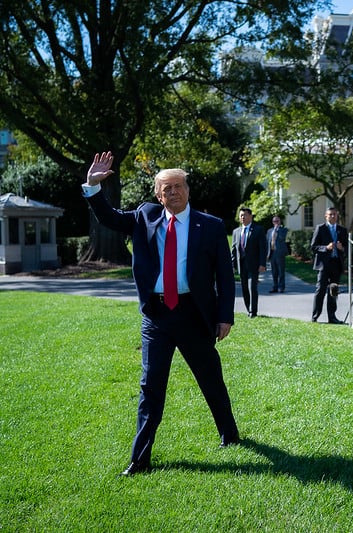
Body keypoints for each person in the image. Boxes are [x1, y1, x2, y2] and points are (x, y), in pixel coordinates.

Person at [82, 152, 239, 476]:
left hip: (194, 314)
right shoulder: (144, 217)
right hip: (157, 315)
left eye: (178, 187)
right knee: (150, 386)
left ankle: (230, 435)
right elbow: (110, 218)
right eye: (166, 189)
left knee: (210, 378)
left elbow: (225, 275)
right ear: (158, 194)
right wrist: (93, 187)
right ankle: (140, 460)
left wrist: (225, 316)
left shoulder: (209, 226)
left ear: (187, 190)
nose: (173, 193)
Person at [310, 207, 348, 324]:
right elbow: (313, 246)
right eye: (330, 214)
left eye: (335, 214)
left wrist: (342, 248)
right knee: (320, 289)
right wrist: (325, 248)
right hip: (324, 265)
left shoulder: (342, 230)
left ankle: (332, 317)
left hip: (336, 264)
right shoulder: (320, 228)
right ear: (326, 216)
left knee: (333, 291)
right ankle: (315, 316)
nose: (333, 216)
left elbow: (347, 247)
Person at [231, 208, 267, 318]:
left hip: (254, 264)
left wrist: (262, 264)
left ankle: (253, 311)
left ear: (251, 216)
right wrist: (232, 265)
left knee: (252, 287)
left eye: (245, 215)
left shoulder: (258, 230)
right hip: (241, 265)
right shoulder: (236, 232)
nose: (242, 217)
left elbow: (263, 248)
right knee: (244, 288)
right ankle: (248, 309)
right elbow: (233, 250)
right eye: (241, 215)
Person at [266, 215, 289, 293]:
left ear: (280, 222)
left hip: (280, 253)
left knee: (281, 271)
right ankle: (275, 286)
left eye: (277, 221)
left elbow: (282, 238)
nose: (276, 223)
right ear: (272, 222)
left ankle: (281, 287)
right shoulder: (269, 231)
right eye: (274, 221)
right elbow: (267, 242)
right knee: (274, 272)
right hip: (272, 253)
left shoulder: (283, 230)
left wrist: (277, 231)